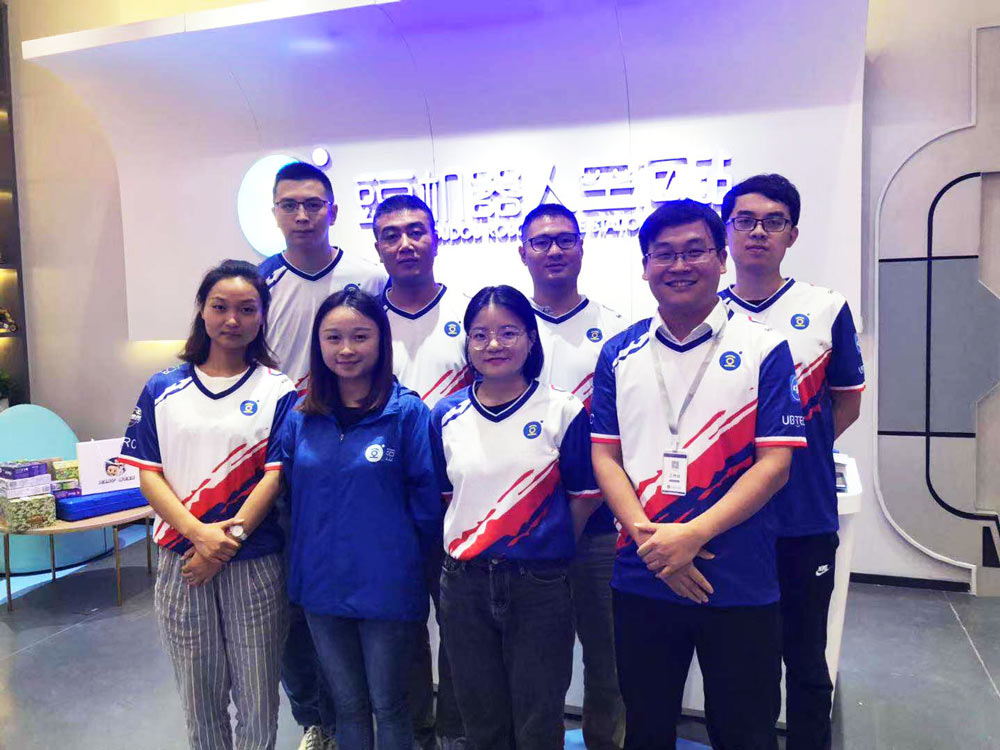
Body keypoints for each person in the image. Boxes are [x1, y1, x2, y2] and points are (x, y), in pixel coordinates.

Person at [590, 200, 807, 750]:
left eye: (695, 251)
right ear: (645, 266)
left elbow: (776, 464)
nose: (679, 265)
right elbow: (606, 458)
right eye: (664, 254)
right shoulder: (618, 353)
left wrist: (691, 536)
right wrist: (653, 543)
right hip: (642, 573)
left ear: (721, 259)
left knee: (744, 730)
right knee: (646, 728)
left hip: (739, 577)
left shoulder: (764, 346)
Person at [119, 259, 297, 750]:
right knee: (199, 698)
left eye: (247, 309)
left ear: (262, 316)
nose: (232, 320)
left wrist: (224, 545)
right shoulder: (162, 388)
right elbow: (148, 474)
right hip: (182, 563)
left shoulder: (278, 389)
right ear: (202, 310)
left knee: (259, 697)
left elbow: (275, 476)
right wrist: (199, 536)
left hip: (254, 561)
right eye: (220, 307)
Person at [719, 174, 864, 750]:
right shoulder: (703, 314)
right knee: (742, 665)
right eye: (744, 220)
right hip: (729, 521)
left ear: (792, 234)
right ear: (726, 231)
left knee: (805, 659)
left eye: (773, 221)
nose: (758, 232)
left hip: (803, 517)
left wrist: (790, 451)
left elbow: (845, 403)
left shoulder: (826, 308)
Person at [430, 285, 601, 750]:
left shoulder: (563, 410)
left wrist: (542, 544)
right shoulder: (445, 414)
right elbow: (448, 496)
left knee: (537, 719)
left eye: (508, 332)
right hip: (463, 584)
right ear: (467, 344)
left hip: (539, 586)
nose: (494, 345)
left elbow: (583, 498)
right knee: (480, 717)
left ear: (530, 339)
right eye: (480, 335)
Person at [277, 288, 442, 750]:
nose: (346, 349)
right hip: (320, 588)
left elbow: (427, 508)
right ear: (319, 345)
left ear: (381, 341)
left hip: (387, 588)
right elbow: (286, 498)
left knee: (390, 705)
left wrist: (416, 572)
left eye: (360, 336)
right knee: (346, 707)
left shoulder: (406, 414)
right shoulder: (301, 417)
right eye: (333, 337)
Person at [260, 160, 387, 750]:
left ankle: (368, 714)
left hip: (357, 445)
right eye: (290, 204)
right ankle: (317, 718)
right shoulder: (261, 283)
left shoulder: (368, 277)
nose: (303, 215)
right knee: (295, 598)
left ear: (333, 210)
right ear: (275, 213)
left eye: (314, 204)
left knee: (360, 588)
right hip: (284, 452)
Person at [518, 202, 626, 750]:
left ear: (582, 246)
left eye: (565, 239)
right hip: (524, 526)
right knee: (537, 663)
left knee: (608, 658)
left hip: (602, 525)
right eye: (541, 242)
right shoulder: (504, 328)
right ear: (522, 252)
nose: (554, 250)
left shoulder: (619, 329)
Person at [372, 194, 469, 750]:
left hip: (459, 503)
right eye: (391, 234)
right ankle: (416, 729)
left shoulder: (471, 314)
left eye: (416, 230)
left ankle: (456, 729)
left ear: (436, 237)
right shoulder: (363, 320)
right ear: (378, 247)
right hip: (384, 506)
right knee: (401, 625)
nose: (405, 243)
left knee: (459, 625)